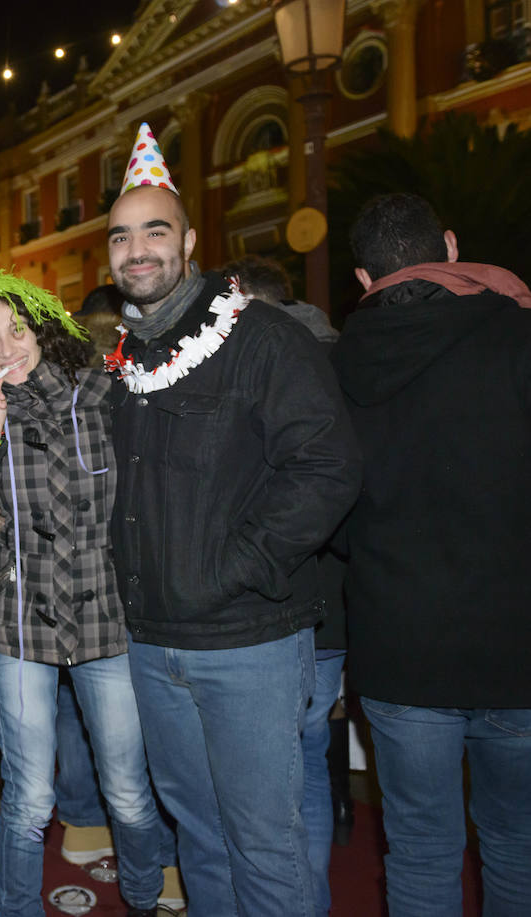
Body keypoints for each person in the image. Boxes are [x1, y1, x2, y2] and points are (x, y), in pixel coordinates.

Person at [103, 124, 361, 915]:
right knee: (201, 840)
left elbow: (329, 466)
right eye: (121, 236)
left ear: (187, 240)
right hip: (152, 649)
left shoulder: (262, 339)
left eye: (154, 231)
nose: (136, 249)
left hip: (249, 646)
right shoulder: (122, 361)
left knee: (265, 848)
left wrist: (237, 567)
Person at [0, 271, 175, 917]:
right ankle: (17, 908)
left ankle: (146, 898)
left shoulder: (101, 393)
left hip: (105, 617)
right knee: (29, 797)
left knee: (127, 789)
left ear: (42, 327)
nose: (6, 347)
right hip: (19, 624)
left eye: (15, 329)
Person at [331, 192, 531, 917]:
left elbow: (332, 509)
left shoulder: (336, 365)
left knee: (419, 847)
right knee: (516, 839)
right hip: (517, 646)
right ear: (449, 246)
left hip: (401, 645)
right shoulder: (517, 334)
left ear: (361, 278)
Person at [222, 253, 351, 916]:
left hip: (276, 604)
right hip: (333, 603)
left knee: (267, 778)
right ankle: (312, 894)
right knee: (307, 757)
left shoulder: (261, 361)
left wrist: (241, 562)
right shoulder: (343, 353)